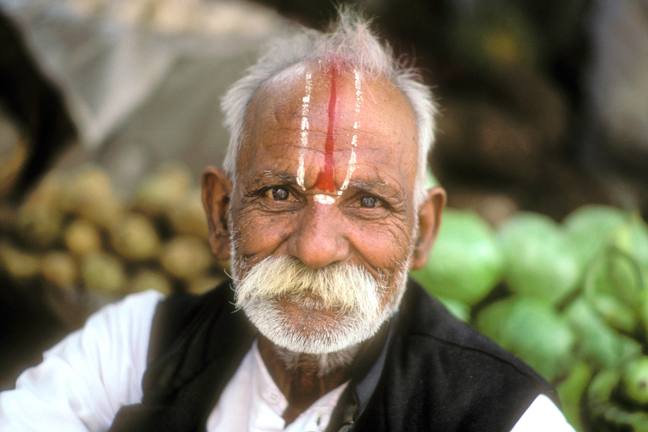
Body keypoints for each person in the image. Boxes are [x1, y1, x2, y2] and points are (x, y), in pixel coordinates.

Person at [0, 9, 575, 432]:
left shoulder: (502, 416)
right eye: (279, 193)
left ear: (423, 231)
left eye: (368, 202)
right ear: (221, 212)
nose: (317, 247)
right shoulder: (138, 346)